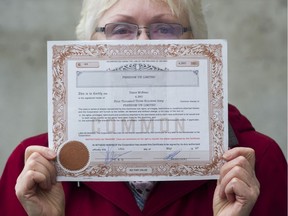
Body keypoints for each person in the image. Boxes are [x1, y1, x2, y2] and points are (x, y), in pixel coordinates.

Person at [0, 0, 287, 215]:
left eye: (165, 28)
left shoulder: (255, 162)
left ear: (198, 45)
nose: (144, 43)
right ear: (87, 47)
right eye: (120, 29)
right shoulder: (32, 169)